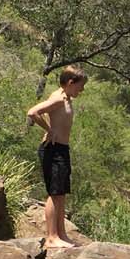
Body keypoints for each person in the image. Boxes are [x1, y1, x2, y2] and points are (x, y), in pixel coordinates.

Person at [26, 66, 87, 249]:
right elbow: (32, 112)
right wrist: (49, 129)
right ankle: (51, 237)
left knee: (61, 194)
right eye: (80, 86)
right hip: (52, 149)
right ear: (70, 83)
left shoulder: (66, 96)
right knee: (54, 194)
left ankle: (61, 234)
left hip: (62, 149)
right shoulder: (59, 98)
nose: (81, 90)